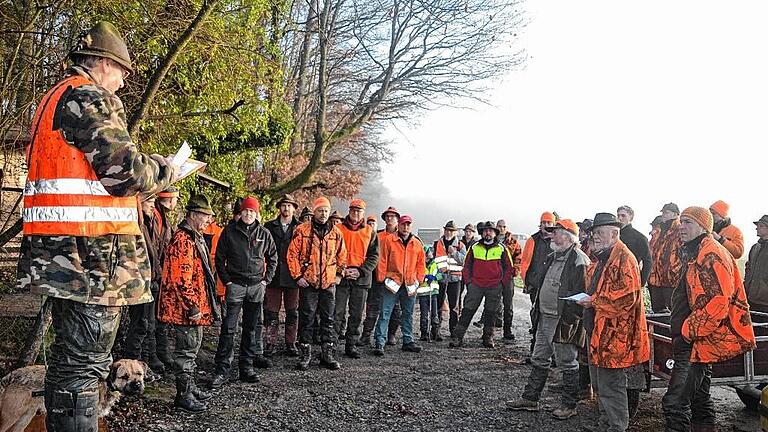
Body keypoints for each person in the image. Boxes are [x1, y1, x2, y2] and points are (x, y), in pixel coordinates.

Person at [16, 22, 179, 431]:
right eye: (122, 71)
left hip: (61, 254)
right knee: (85, 365)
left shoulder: (54, 98)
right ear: (104, 64)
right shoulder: (91, 97)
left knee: (68, 362)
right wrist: (164, 169)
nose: (124, 81)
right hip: (92, 257)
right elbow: (125, 175)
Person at [662, 207, 756, 432]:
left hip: (696, 338)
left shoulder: (711, 253)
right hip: (698, 339)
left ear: (704, 227)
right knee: (699, 400)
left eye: (688, 222)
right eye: (681, 222)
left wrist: (687, 330)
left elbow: (717, 304)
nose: (681, 227)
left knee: (675, 403)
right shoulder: (696, 250)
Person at [506, 219, 589, 420]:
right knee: (539, 358)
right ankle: (530, 399)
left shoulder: (579, 260)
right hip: (545, 317)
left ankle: (570, 405)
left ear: (569, 236)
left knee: (567, 363)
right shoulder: (553, 256)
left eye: (557, 232)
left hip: (563, 321)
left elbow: (583, 294)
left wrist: (570, 321)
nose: (552, 235)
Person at [577, 213, 649, 432]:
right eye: (593, 233)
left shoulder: (624, 259)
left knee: (612, 386)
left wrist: (594, 301)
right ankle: (605, 424)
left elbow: (627, 298)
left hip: (617, 335)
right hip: (602, 330)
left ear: (614, 233)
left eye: (599, 233)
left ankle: (616, 427)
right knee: (601, 384)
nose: (594, 237)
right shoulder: (604, 256)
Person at [157, 195, 219, 413]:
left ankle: (189, 389)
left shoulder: (194, 236)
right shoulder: (184, 240)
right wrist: (193, 307)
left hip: (194, 307)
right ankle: (182, 396)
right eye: (205, 216)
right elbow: (180, 279)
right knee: (186, 352)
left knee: (191, 349)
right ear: (193, 215)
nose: (207, 220)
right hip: (185, 309)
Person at [211, 197, 278, 387]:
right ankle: (222, 369)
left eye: (252, 211)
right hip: (236, 286)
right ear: (241, 212)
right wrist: (228, 281)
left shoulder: (264, 233)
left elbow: (273, 257)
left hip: (256, 287)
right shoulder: (229, 232)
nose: (249, 214)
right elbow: (219, 258)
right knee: (229, 328)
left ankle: (246, 368)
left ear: (257, 213)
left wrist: (266, 281)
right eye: (246, 211)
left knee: (250, 328)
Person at [287, 197, 347, 370]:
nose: (323, 214)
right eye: (320, 210)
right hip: (309, 283)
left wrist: (339, 274)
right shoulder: (302, 230)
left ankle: (327, 354)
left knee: (329, 318)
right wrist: (298, 276)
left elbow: (342, 255)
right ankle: (304, 354)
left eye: (326, 211)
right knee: (307, 318)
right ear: (314, 211)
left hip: (329, 283)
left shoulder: (337, 233)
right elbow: (292, 255)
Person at [450, 221, 513, 348]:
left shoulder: (502, 248)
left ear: (495, 233)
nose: (487, 233)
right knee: (468, 311)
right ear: (482, 233)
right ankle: (458, 337)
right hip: (476, 285)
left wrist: (501, 283)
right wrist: (469, 282)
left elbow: (509, 268)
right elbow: (466, 266)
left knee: (491, 313)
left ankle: (488, 338)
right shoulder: (474, 247)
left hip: (494, 286)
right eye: (485, 231)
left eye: (490, 230)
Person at [123, 194, 164, 382]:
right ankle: (134, 366)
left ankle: (142, 367)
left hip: (149, 281)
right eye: (149, 202)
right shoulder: (137, 224)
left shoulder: (149, 223)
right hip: (140, 283)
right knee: (139, 325)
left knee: (145, 325)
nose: (153, 206)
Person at [372, 214, 425, 355]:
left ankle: (408, 341)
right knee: (385, 313)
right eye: (403, 224)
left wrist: (419, 279)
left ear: (411, 226)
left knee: (408, 314)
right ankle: (379, 342)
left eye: (408, 224)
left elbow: (421, 264)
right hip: (392, 282)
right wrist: (382, 278)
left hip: (409, 284)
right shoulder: (389, 240)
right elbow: (382, 260)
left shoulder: (417, 243)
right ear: (399, 225)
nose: (405, 227)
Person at [335, 199, 380, 358]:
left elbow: (374, 256)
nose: (356, 213)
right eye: (353, 210)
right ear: (349, 210)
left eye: (359, 211)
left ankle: (351, 345)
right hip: (341, 278)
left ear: (363, 213)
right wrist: (341, 271)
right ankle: (331, 346)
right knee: (337, 313)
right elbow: (331, 252)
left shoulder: (370, 231)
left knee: (356, 315)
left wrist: (361, 271)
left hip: (361, 280)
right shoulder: (337, 229)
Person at [263, 194, 302, 356]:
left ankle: (290, 342)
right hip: (274, 275)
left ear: (294, 208)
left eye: (289, 205)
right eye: (283, 205)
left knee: (292, 312)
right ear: (279, 208)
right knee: (271, 312)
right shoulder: (269, 226)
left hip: (294, 276)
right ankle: (270, 342)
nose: (286, 208)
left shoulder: (301, 227)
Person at [359, 206, 402, 347]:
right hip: (378, 277)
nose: (389, 219)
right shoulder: (377, 236)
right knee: (373, 308)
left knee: (395, 309)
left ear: (397, 219)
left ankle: (391, 335)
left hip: (395, 279)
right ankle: (366, 336)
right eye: (387, 216)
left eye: (392, 216)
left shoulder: (403, 237)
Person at [154, 185, 181, 369]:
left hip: (160, 274)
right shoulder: (156, 217)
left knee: (159, 317)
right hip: (155, 274)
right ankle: (152, 357)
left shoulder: (161, 216)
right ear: (170, 199)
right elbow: (156, 246)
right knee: (148, 321)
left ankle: (160, 354)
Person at [433, 220, 466, 340]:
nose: (448, 232)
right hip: (441, 279)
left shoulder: (461, 246)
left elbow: (464, 261)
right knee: (438, 305)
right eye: (447, 230)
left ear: (455, 232)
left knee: (454, 307)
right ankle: (435, 331)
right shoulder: (437, 244)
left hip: (455, 280)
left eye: (451, 231)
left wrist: (455, 253)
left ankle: (453, 331)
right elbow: (433, 262)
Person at [648, 203, 683, 313]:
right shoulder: (659, 231)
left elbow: (684, 254)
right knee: (658, 312)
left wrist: (675, 270)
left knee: (674, 313)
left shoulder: (680, 231)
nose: (663, 215)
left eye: (666, 212)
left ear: (676, 214)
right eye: (663, 212)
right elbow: (651, 252)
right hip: (655, 280)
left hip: (671, 281)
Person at [616, 205, 653, 287]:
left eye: (623, 215)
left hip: (631, 280)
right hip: (613, 280)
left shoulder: (639, 237)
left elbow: (648, 261)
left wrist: (641, 282)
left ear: (630, 217)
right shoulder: (614, 237)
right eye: (618, 215)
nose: (620, 218)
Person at [417, 246, 441, 341]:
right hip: (423, 294)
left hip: (433, 292)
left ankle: (435, 332)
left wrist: (435, 277)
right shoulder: (420, 264)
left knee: (434, 314)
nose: (431, 254)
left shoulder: (435, 264)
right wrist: (426, 277)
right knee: (424, 315)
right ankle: (424, 333)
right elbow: (418, 275)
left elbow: (441, 275)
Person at [746, 215, 768, 312]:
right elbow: (748, 267)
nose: (757, 228)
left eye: (761, 226)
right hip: (751, 298)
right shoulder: (755, 247)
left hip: (765, 302)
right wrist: (746, 285)